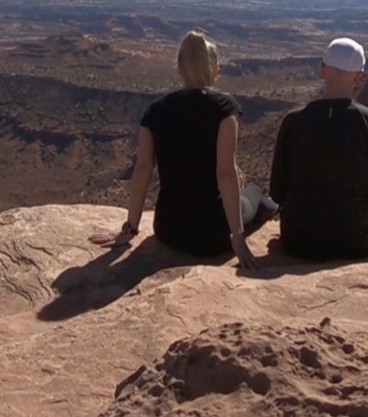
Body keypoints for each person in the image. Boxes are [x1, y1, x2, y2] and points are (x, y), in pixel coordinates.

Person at [99, 30, 272, 267]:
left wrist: (131, 228)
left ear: (179, 69)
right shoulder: (225, 109)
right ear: (215, 70)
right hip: (212, 235)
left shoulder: (155, 111)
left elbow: (143, 168)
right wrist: (238, 239)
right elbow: (225, 171)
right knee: (257, 194)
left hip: (168, 229)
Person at [268, 37, 368, 261]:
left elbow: (277, 192)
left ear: (322, 68)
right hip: (354, 242)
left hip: (297, 240)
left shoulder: (293, 121)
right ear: (359, 76)